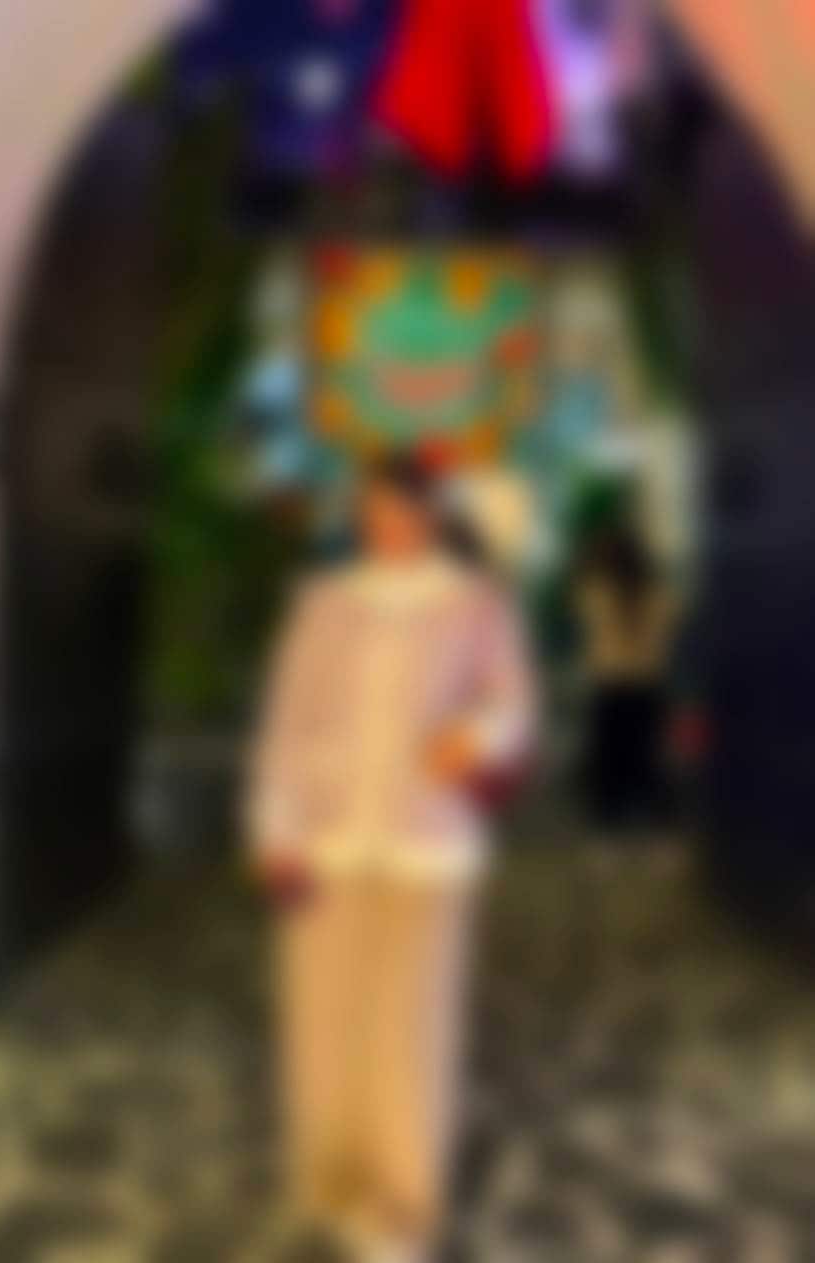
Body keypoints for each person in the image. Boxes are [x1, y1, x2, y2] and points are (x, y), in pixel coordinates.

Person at [246, 454, 537, 1263]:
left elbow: (513, 703)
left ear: (433, 514)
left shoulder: (473, 602)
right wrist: (275, 826)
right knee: (325, 1017)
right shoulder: (323, 601)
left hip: (428, 841)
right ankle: (336, 1183)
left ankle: (401, 1205)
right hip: (327, 837)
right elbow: (287, 717)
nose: (389, 523)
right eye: (375, 508)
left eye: (405, 509)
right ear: (360, 513)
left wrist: (474, 734)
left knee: (413, 1023)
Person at [573, 523, 679, 835]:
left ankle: (612, 823)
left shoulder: (596, 592)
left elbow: (580, 607)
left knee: (611, 761)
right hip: (648, 686)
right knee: (645, 758)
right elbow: (673, 624)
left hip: (610, 687)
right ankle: (649, 819)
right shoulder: (658, 594)